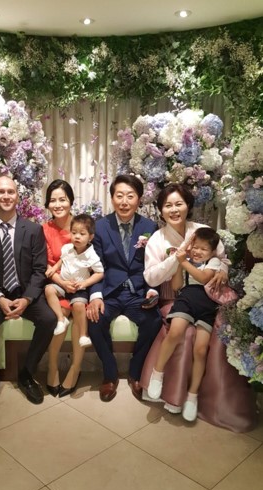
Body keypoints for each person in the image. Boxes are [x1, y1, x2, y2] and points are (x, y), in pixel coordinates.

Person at [140, 183, 257, 432]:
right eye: (168, 205)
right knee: (183, 332)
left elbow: (221, 260)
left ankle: (197, 398)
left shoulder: (202, 231)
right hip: (174, 297)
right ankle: (168, 391)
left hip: (209, 298)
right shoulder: (158, 239)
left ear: (188, 206)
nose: (174, 209)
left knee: (212, 339)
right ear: (160, 210)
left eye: (178, 204)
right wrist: (177, 258)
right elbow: (151, 278)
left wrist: (222, 272)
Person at [0, 176, 57, 407]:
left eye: (11, 192)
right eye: (1, 192)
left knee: (49, 319)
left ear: (17, 195)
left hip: (26, 293)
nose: (6, 196)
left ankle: (26, 374)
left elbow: (40, 270)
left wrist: (27, 299)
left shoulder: (33, 229)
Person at [87, 174, 162, 402]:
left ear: (139, 199)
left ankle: (135, 371)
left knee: (154, 321)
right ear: (112, 198)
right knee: (95, 320)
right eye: (119, 195)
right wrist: (96, 295)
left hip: (138, 292)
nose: (124, 201)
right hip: (110, 291)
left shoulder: (149, 226)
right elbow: (95, 265)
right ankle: (109, 374)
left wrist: (152, 289)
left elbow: (153, 263)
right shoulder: (100, 227)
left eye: (130, 196)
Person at [148, 227, 221, 422]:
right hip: (186, 300)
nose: (197, 252)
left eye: (203, 249)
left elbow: (204, 278)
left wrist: (182, 261)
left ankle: (192, 395)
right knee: (175, 332)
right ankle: (157, 373)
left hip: (207, 307)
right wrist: (180, 264)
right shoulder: (186, 261)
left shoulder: (214, 263)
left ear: (212, 252)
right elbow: (176, 287)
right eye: (195, 247)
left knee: (200, 350)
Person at [43, 180, 86, 398]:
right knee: (62, 316)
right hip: (57, 283)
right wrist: (62, 283)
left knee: (78, 311)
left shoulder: (81, 226)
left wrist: (75, 284)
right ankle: (52, 368)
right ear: (47, 203)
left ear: (70, 201)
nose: (58, 204)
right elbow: (46, 264)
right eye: (53, 200)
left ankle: (75, 369)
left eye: (62, 199)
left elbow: (90, 259)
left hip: (80, 283)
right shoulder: (44, 229)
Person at [45, 213, 104, 347]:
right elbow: (62, 260)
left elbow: (100, 273)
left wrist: (85, 283)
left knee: (78, 306)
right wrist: (54, 268)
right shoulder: (67, 248)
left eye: (82, 234)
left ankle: (84, 335)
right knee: (49, 289)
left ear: (91, 237)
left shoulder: (92, 255)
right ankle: (61, 319)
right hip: (64, 285)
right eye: (74, 233)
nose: (77, 236)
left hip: (79, 288)